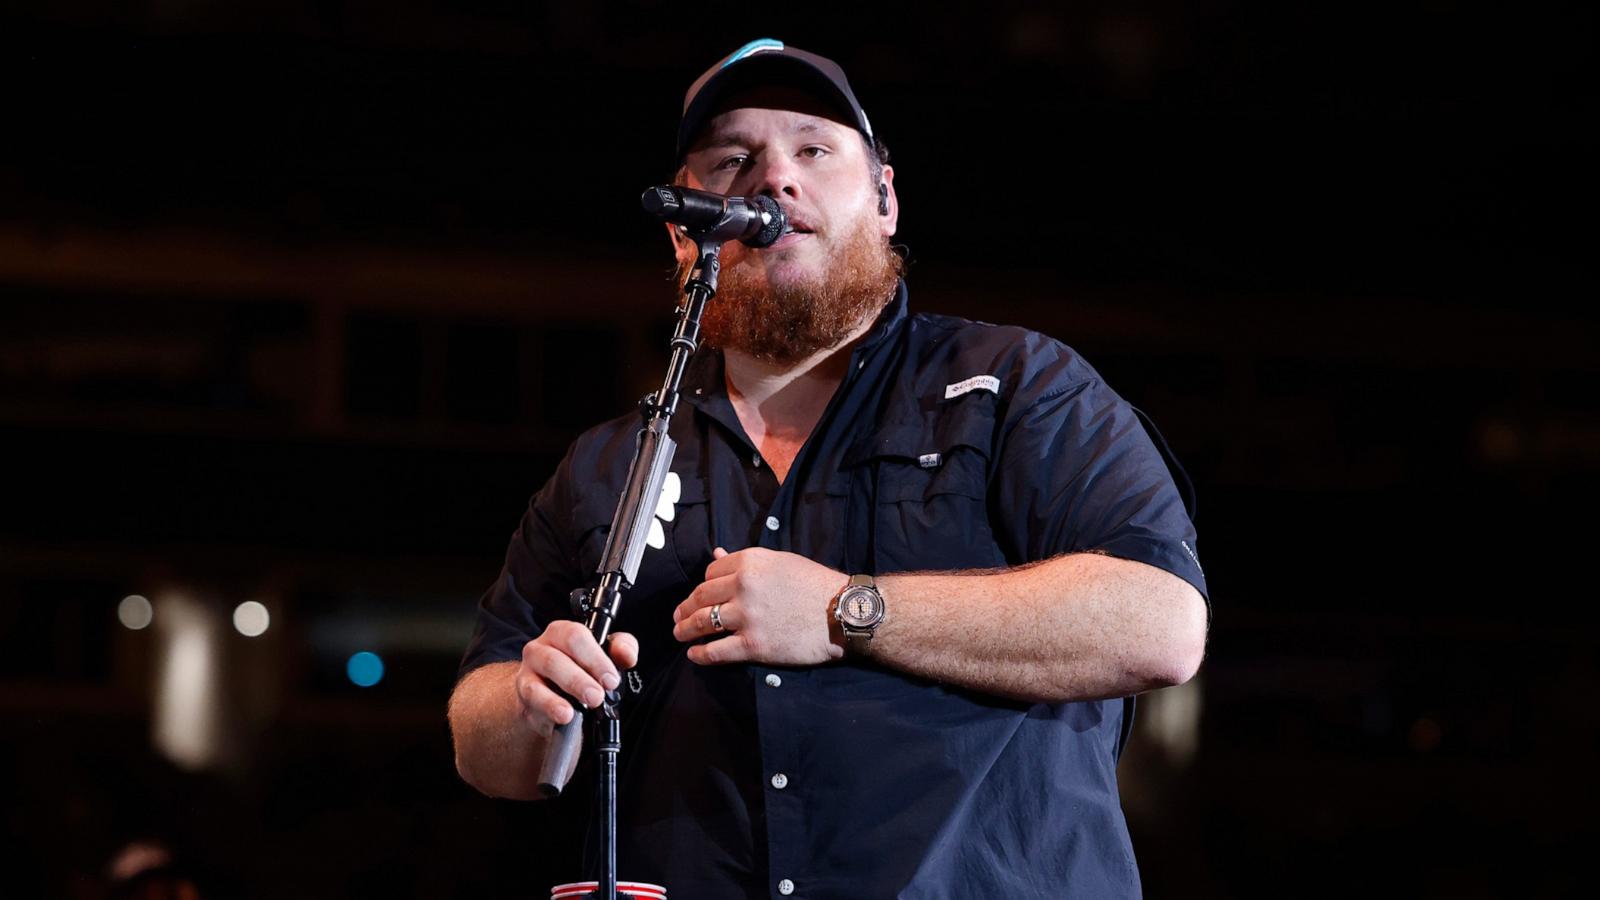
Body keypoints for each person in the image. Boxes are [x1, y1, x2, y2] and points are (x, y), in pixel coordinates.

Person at [449, 39, 1209, 899]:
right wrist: (528, 704)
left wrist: (847, 609)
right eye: (733, 159)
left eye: (813, 149)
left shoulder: (1016, 386)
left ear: (885, 197)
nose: (773, 179)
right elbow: (484, 739)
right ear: (684, 230)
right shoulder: (609, 463)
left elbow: (1160, 623)